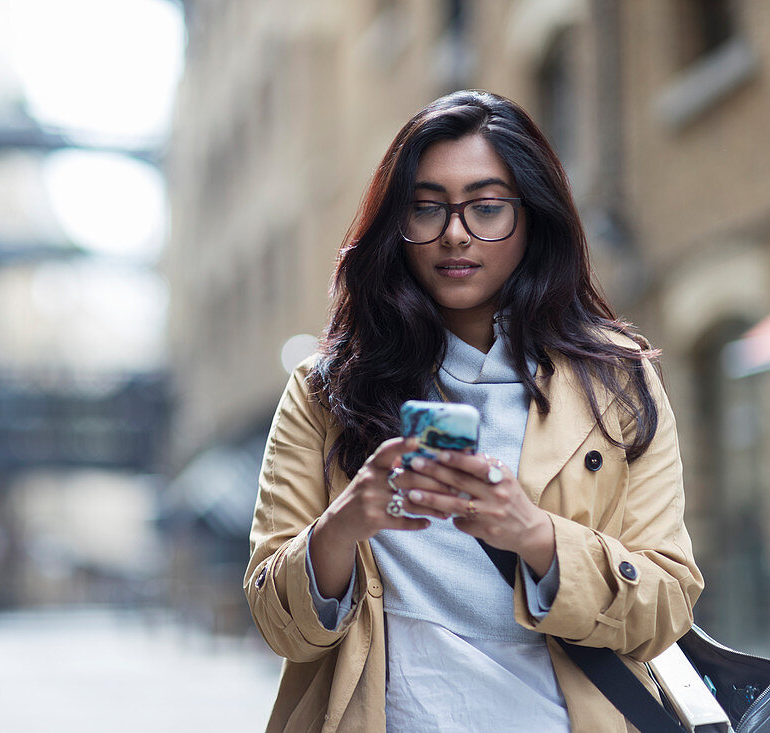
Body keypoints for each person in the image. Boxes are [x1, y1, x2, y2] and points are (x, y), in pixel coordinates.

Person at [244, 90, 704, 732]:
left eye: (487, 207)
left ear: (533, 218)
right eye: (427, 208)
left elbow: (667, 604)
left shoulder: (616, 379)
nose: (455, 232)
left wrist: (535, 538)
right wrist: (346, 523)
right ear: (396, 225)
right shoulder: (327, 391)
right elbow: (278, 624)